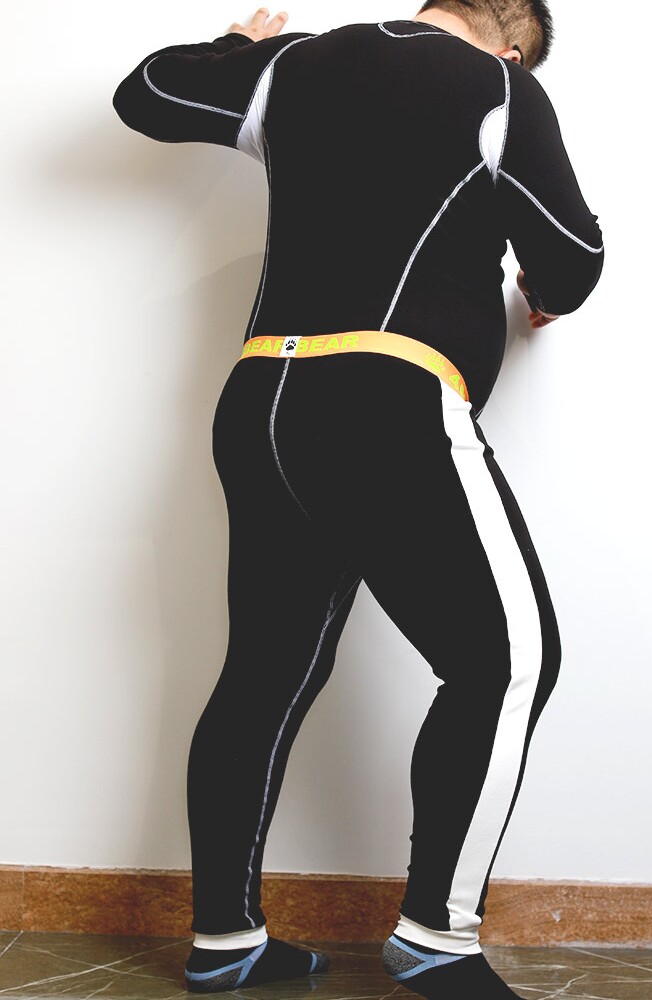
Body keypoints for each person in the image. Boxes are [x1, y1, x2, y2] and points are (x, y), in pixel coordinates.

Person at [112, 1, 604, 996]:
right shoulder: (502, 88)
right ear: (515, 45)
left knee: (264, 672)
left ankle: (226, 944)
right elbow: (572, 257)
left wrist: (238, 50)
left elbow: (146, 94)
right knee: (509, 660)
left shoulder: (296, 64)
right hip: (388, 398)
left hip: (262, 401)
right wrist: (541, 289)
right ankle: (436, 939)